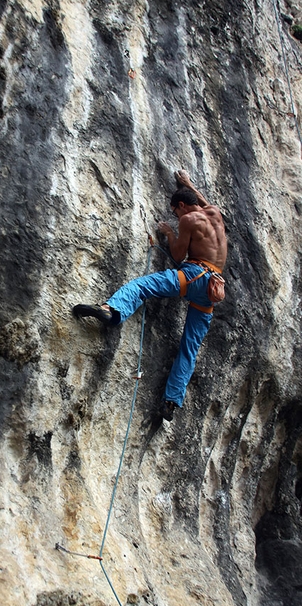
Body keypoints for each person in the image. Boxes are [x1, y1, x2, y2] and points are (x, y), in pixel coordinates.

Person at [73, 170, 227, 421]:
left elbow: (178, 257)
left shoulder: (189, 221)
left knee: (143, 286)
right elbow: (200, 200)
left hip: (193, 276)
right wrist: (188, 184)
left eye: (176, 213)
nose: (176, 217)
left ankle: (111, 310)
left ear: (180, 206)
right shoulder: (215, 213)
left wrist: (169, 233)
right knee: (190, 346)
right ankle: (172, 400)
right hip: (213, 289)